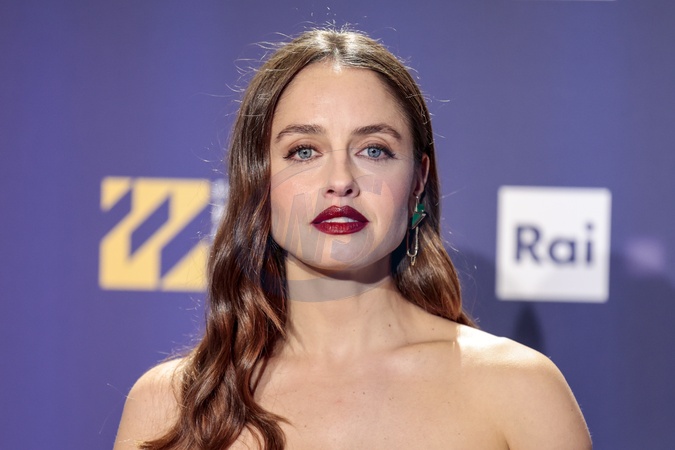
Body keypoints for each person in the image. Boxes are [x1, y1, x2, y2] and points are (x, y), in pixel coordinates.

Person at [114, 28, 591, 450]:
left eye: (374, 150)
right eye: (304, 151)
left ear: (418, 181)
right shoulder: (169, 407)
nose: (340, 180)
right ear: (258, 180)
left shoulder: (518, 389)